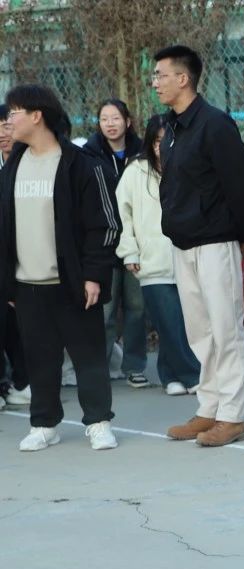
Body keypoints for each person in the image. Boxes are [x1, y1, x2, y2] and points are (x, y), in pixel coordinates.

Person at [0, 85, 119, 451]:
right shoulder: (12, 167)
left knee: (88, 356)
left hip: (73, 282)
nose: (8, 121)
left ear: (37, 116)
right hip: (26, 284)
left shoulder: (81, 165)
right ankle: (44, 424)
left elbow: (105, 225)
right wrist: (8, 285)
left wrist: (93, 275)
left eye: (14, 113)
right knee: (39, 358)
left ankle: (98, 422)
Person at [153, 44, 244, 447]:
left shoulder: (215, 124)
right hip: (183, 243)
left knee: (225, 328)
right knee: (200, 331)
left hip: (216, 242)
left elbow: (242, 185)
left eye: (161, 75)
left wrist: (243, 236)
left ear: (184, 78)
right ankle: (209, 407)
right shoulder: (172, 127)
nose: (155, 82)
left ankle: (232, 416)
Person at [116, 114, 200, 397]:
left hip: (188, 257)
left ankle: (170, 376)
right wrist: (129, 252)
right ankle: (192, 374)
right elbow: (123, 216)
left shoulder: (189, 166)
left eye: (168, 141)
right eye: (157, 141)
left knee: (180, 323)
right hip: (153, 261)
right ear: (150, 143)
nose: (162, 146)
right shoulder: (135, 171)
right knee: (170, 320)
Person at [84, 98, 148, 388]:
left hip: (137, 241)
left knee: (137, 307)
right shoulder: (89, 154)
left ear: (128, 121)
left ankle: (134, 366)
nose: (110, 124)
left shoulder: (142, 153)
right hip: (104, 243)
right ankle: (100, 368)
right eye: (104, 119)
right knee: (106, 311)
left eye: (116, 118)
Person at [0, 103, 30, 412]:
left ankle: (23, 382)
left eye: (7, 125)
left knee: (19, 324)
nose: (2, 133)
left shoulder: (31, 165)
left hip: (26, 258)